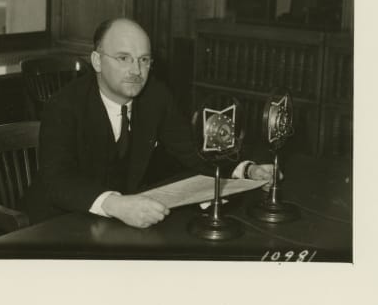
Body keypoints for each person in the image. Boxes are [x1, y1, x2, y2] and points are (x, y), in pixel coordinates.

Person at [21, 18, 276, 229]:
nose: (136, 71)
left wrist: (246, 169)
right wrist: (116, 204)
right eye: (124, 58)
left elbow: (192, 148)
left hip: (119, 223)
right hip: (60, 222)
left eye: (144, 60)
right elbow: (57, 179)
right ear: (97, 61)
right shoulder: (63, 105)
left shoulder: (155, 96)